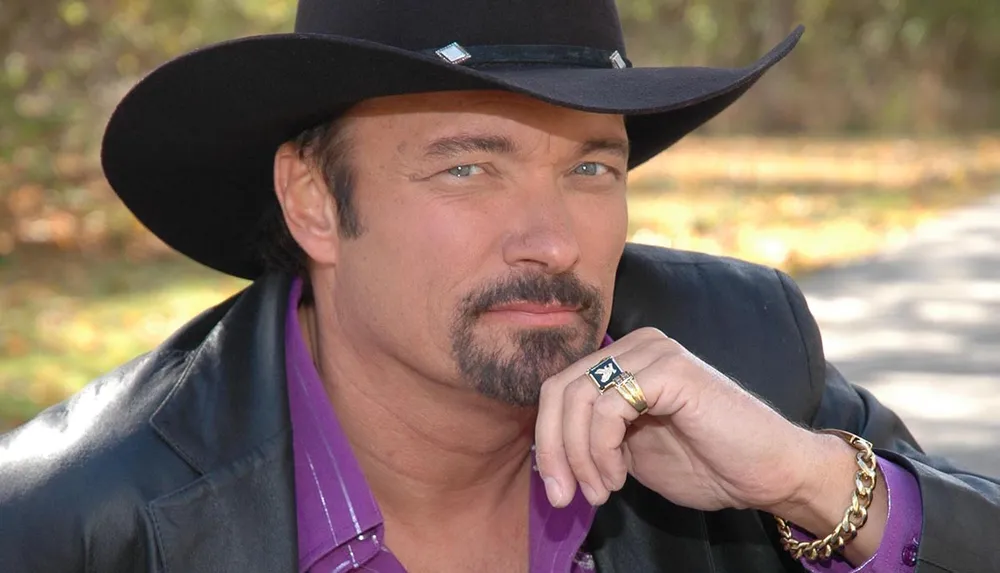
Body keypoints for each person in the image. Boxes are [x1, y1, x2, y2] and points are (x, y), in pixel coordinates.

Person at [1, 0, 998, 571]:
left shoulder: (737, 355)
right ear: (313, 202)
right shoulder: (89, 521)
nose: (552, 241)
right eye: (467, 168)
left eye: (591, 168)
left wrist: (809, 483)